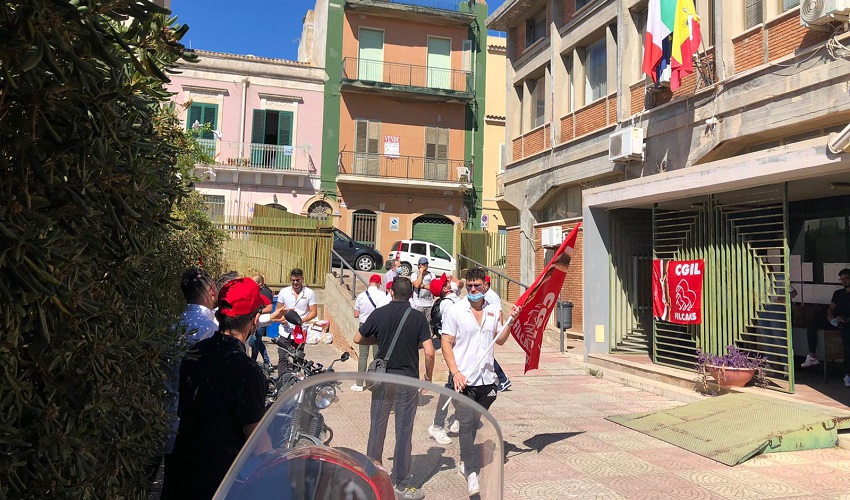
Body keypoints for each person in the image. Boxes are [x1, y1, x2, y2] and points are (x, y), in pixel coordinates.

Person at [162, 278, 272, 500]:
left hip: (181, 471)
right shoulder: (247, 369)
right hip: (219, 482)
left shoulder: (194, 353)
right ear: (255, 319)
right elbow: (257, 441)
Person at [440, 267, 519, 496]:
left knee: (474, 422)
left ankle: (466, 457)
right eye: (470, 285)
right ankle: (470, 470)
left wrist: (511, 321)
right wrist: (455, 372)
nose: (473, 289)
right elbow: (446, 342)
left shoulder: (494, 309)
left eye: (477, 285)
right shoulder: (456, 310)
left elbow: (501, 340)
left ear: (485, 285)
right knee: (466, 423)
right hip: (463, 380)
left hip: (487, 380)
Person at [354, 277, 435, 500]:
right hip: (407, 382)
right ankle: (400, 482)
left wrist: (379, 340)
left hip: (382, 381)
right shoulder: (418, 318)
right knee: (403, 432)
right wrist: (428, 376)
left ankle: (371, 477)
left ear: (390, 292)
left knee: (376, 429)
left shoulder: (379, 314)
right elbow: (429, 352)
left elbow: (358, 337)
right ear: (411, 295)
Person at [426, 273, 460, 445]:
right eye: (447, 281)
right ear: (446, 289)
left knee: (460, 387)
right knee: (450, 387)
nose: (450, 281)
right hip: (455, 352)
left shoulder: (454, 299)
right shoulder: (448, 304)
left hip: (462, 351)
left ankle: (459, 418)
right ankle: (437, 425)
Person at [276, 268, 318, 371]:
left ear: (302, 279)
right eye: (293, 280)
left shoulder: (309, 293)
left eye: (298, 280)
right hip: (285, 331)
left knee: (298, 359)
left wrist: (301, 320)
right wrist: (282, 318)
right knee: (282, 357)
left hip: (300, 331)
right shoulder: (284, 292)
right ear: (290, 279)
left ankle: (296, 382)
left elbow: (313, 312)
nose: (295, 283)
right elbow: (278, 309)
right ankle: (282, 383)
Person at [351, 274, 387, 391]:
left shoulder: (361, 296)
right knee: (377, 355)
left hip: (364, 326)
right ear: (378, 283)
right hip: (378, 327)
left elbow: (356, 314)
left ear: (370, 282)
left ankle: (359, 384)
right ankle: (375, 382)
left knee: (363, 355)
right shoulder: (382, 295)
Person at [484, 275, 512, 392]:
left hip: (492, 330)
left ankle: (503, 379)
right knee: (486, 355)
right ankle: (501, 379)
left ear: (486, 284)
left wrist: (498, 331)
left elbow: (499, 313)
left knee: (487, 355)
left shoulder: (492, 296)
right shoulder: (486, 295)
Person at [827, 268, 850, 387]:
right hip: (838, 321)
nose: (843, 281)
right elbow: (831, 307)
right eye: (841, 279)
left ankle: (848, 374)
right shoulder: (838, 293)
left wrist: (846, 319)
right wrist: (830, 316)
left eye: (846, 278)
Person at [250, 273, 273, 370]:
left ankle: (252, 362)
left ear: (260, 283)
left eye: (254, 282)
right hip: (257, 320)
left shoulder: (264, 293)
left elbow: (269, 308)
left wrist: (258, 311)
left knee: (255, 341)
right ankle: (267, 362)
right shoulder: (258, 291)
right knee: (258, 342)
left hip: (261, 321)